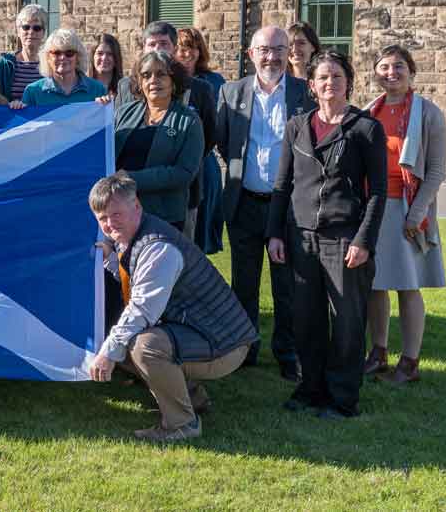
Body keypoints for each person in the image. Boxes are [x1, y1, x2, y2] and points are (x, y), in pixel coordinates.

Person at [86, 173, 258, 443]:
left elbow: (142, 310)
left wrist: (107, 353)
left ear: (137, 206)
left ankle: (182, 424)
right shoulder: (136, 238)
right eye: (102, 219)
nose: (109, 224)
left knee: (143, 346)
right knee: (129, 343)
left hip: (226, 344)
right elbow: (139, 281)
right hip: (205, 331)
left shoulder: (158, 248)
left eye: (115, 214)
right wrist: (110, 261)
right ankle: (192, 398)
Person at [267, 51, 387, 419]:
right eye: (322, 77)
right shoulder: (297, 126)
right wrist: (275, 233)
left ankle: (342, 397)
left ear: (348, 82)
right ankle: (310, 389)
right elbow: (283, 184)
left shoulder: (365, 128)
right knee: (306, 319)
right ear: (311, 85)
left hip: (343, 239)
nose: (329, 83)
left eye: (336, 76)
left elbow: (378, 191)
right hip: (301, 237)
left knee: (348, 321)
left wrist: (363, 240)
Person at [214, 25, 315, 379]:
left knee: (287, 286)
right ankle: (246, 350)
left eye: (278, 49)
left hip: (286, 208)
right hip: (244, 205)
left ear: (289, 52)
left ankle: (287, 354)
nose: (271, 57)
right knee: (244, 284)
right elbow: (225, 144)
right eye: (264, 50)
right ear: (251, 54)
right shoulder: (231, 92)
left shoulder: (305, 94)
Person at [362, 45, 446, 385]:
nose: (391, 72)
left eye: (398, 66)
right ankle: (377, 353)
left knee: (408, 286)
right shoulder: (369, 112)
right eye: (384, 67)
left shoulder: (428, 114)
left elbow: (437, 170)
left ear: (411, 72)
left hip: (408, 209)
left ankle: (410, 362)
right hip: (374, 207)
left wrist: (417, 213)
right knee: (374, 284)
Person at [113, 51, 204, 231]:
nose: (153, 80)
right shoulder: (123, 112)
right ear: (139, 82)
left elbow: (184, 173)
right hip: (120, 212)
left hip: (163, 217)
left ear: (174, 81)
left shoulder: (189, 120)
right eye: (146, 75)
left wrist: (131, 179)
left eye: (161, 74)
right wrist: (100, 109)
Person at [178, 27, 226, 255]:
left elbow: (218, 125)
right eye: (179, 48)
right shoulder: (169, 80)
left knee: (200, 236)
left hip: (204, 163)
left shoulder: (214, 82)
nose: (184, 53)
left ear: (199, 51)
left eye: (189, 48)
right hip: (176, 162)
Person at [21, 29, 106, 106]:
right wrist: (16, 107)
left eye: (69, 53)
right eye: (56, 53)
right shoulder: (33, 92)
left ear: (78, 57)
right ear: (47, 58)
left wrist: (105, 105)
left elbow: (106, 121)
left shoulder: (97, 90)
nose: (62, 57)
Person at [0, 5, 47, 101]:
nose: (31, 32)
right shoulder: (4, 64)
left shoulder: (50, 63)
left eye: (37, 28)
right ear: (18, 32)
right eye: (26, 27)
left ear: (43, 33)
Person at [89, 33, 124, 101]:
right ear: (93, 57)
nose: (104, 58)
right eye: (100, 53)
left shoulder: (125, 90)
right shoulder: (83, 89)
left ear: (116, 58)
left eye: (109, 54)